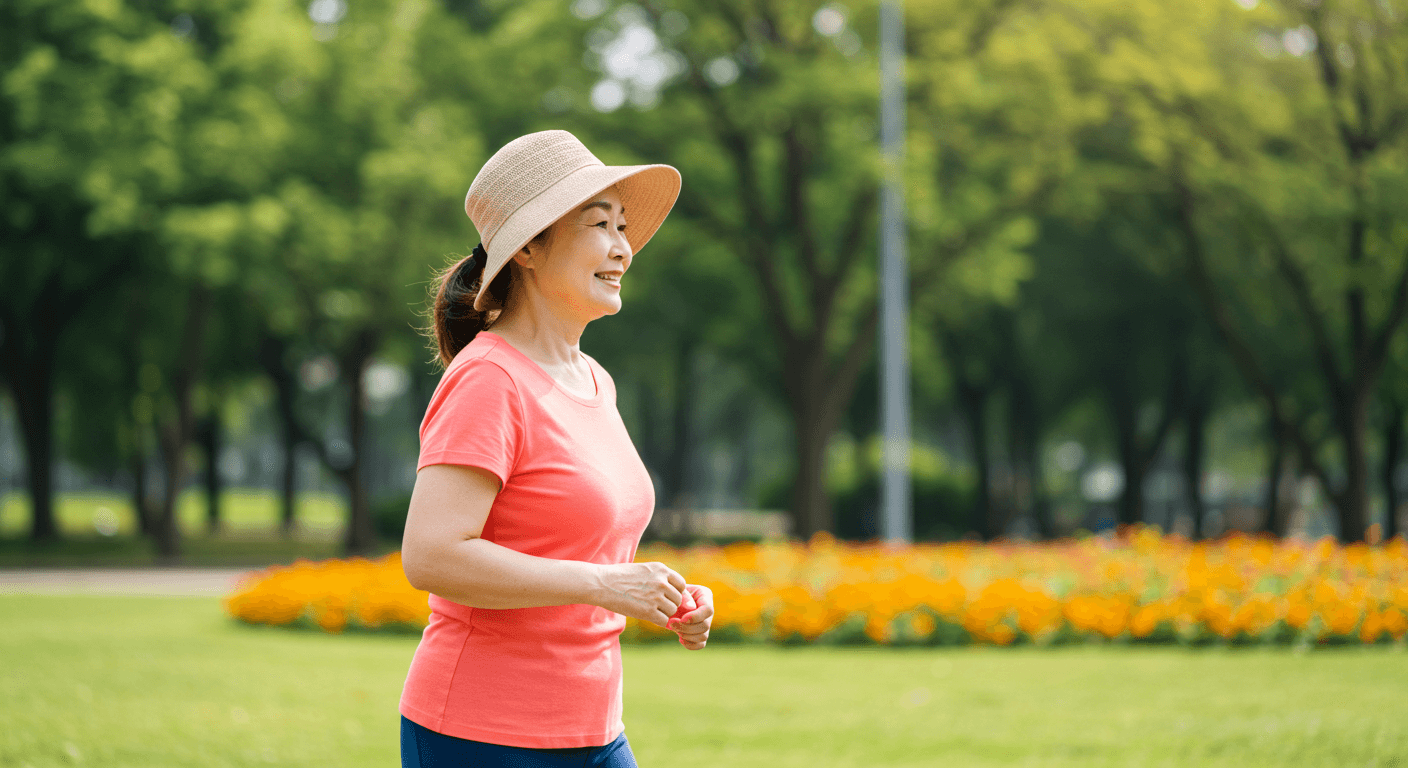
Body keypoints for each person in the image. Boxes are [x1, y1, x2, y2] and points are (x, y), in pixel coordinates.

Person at [398, 130, 714, 768]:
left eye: (624, 227)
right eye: (600, 225)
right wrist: (604, 584)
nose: (623, 248)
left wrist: (662, 595)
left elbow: (578, 545)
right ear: (530, 250)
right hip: (485, 736)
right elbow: (431, 555)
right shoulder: (489, 379)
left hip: (593, 731)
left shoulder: (595, 380)